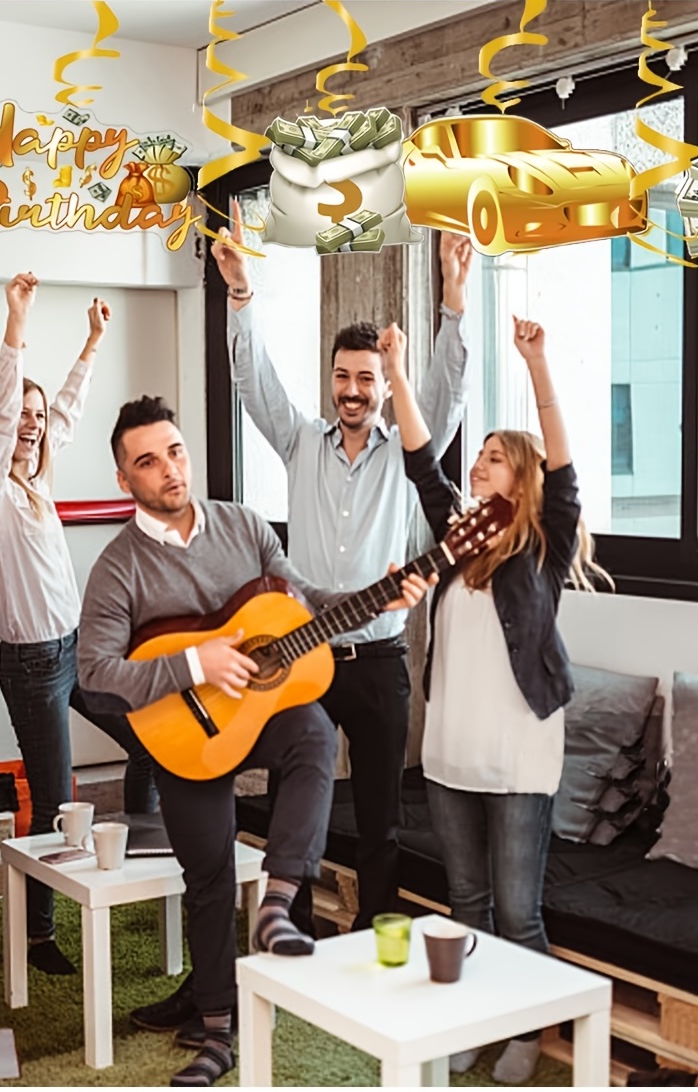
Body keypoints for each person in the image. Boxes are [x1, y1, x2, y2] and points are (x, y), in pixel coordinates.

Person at [77, 395, 434, 1087]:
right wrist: (194, 664)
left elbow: (299, 600)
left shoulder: (243, 526)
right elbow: (94, 674)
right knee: (208, 880)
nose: (169, 470)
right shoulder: (117, 568)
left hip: (258, 719)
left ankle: (278, 900)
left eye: (174, 451)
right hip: (184, 737)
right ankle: (216, 1034)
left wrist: (375, 595)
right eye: (147, 461)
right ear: (126, 481)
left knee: (309, 728)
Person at [209, 201, 474, 941]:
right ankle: (289, 928)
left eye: (366, 378)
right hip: (307, 657)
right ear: (330, 381)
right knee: (306, 803)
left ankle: (374, 937)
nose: (353, 390)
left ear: (384, 388)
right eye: (342, 377)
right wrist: (241, 295)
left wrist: (455, 303)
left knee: (384, 819)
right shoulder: (299, 443)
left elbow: (447, 393)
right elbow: (253, 381)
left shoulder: (407, 455)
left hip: (383, 658)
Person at [387, 316, 609, 1084]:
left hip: (517, 760)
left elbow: (565, 461)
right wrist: (394, 368)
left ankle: (525, 1034)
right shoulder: (455, 545)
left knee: (519, 914)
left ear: (522, 479)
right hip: (450, 755)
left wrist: (539, 362)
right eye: (477, 457)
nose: (477, 466)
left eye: (492, 459)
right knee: (467, 906)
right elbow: (422, 463)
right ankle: (474, 1025)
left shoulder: (544, 548)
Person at [0, 272, 157, 977]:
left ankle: (140, 857)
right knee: (52, 802)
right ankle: (39, 932)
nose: (34, 421)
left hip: (80, 652)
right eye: (22, 413)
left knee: (150, 746)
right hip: (34, 665)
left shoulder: (37, 484)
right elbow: (5, 417)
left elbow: (67, 411)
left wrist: (94, 340)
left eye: (36, 415)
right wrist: (17, 322)